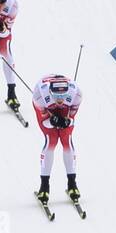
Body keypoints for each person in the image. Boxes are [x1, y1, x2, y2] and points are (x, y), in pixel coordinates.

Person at [31, 73, 83, 210]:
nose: (59, 100)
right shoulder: (39, 96)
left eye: (62, 97)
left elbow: (71, 117)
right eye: (56, 97)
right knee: (51, 140)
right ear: (50, 92)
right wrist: (52, 120)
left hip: (67, 107)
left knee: (66, 139)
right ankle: (44, 186)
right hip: (46, 108)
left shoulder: (76, 95)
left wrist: (68, 120)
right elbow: (46, 123)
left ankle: (72, 184)